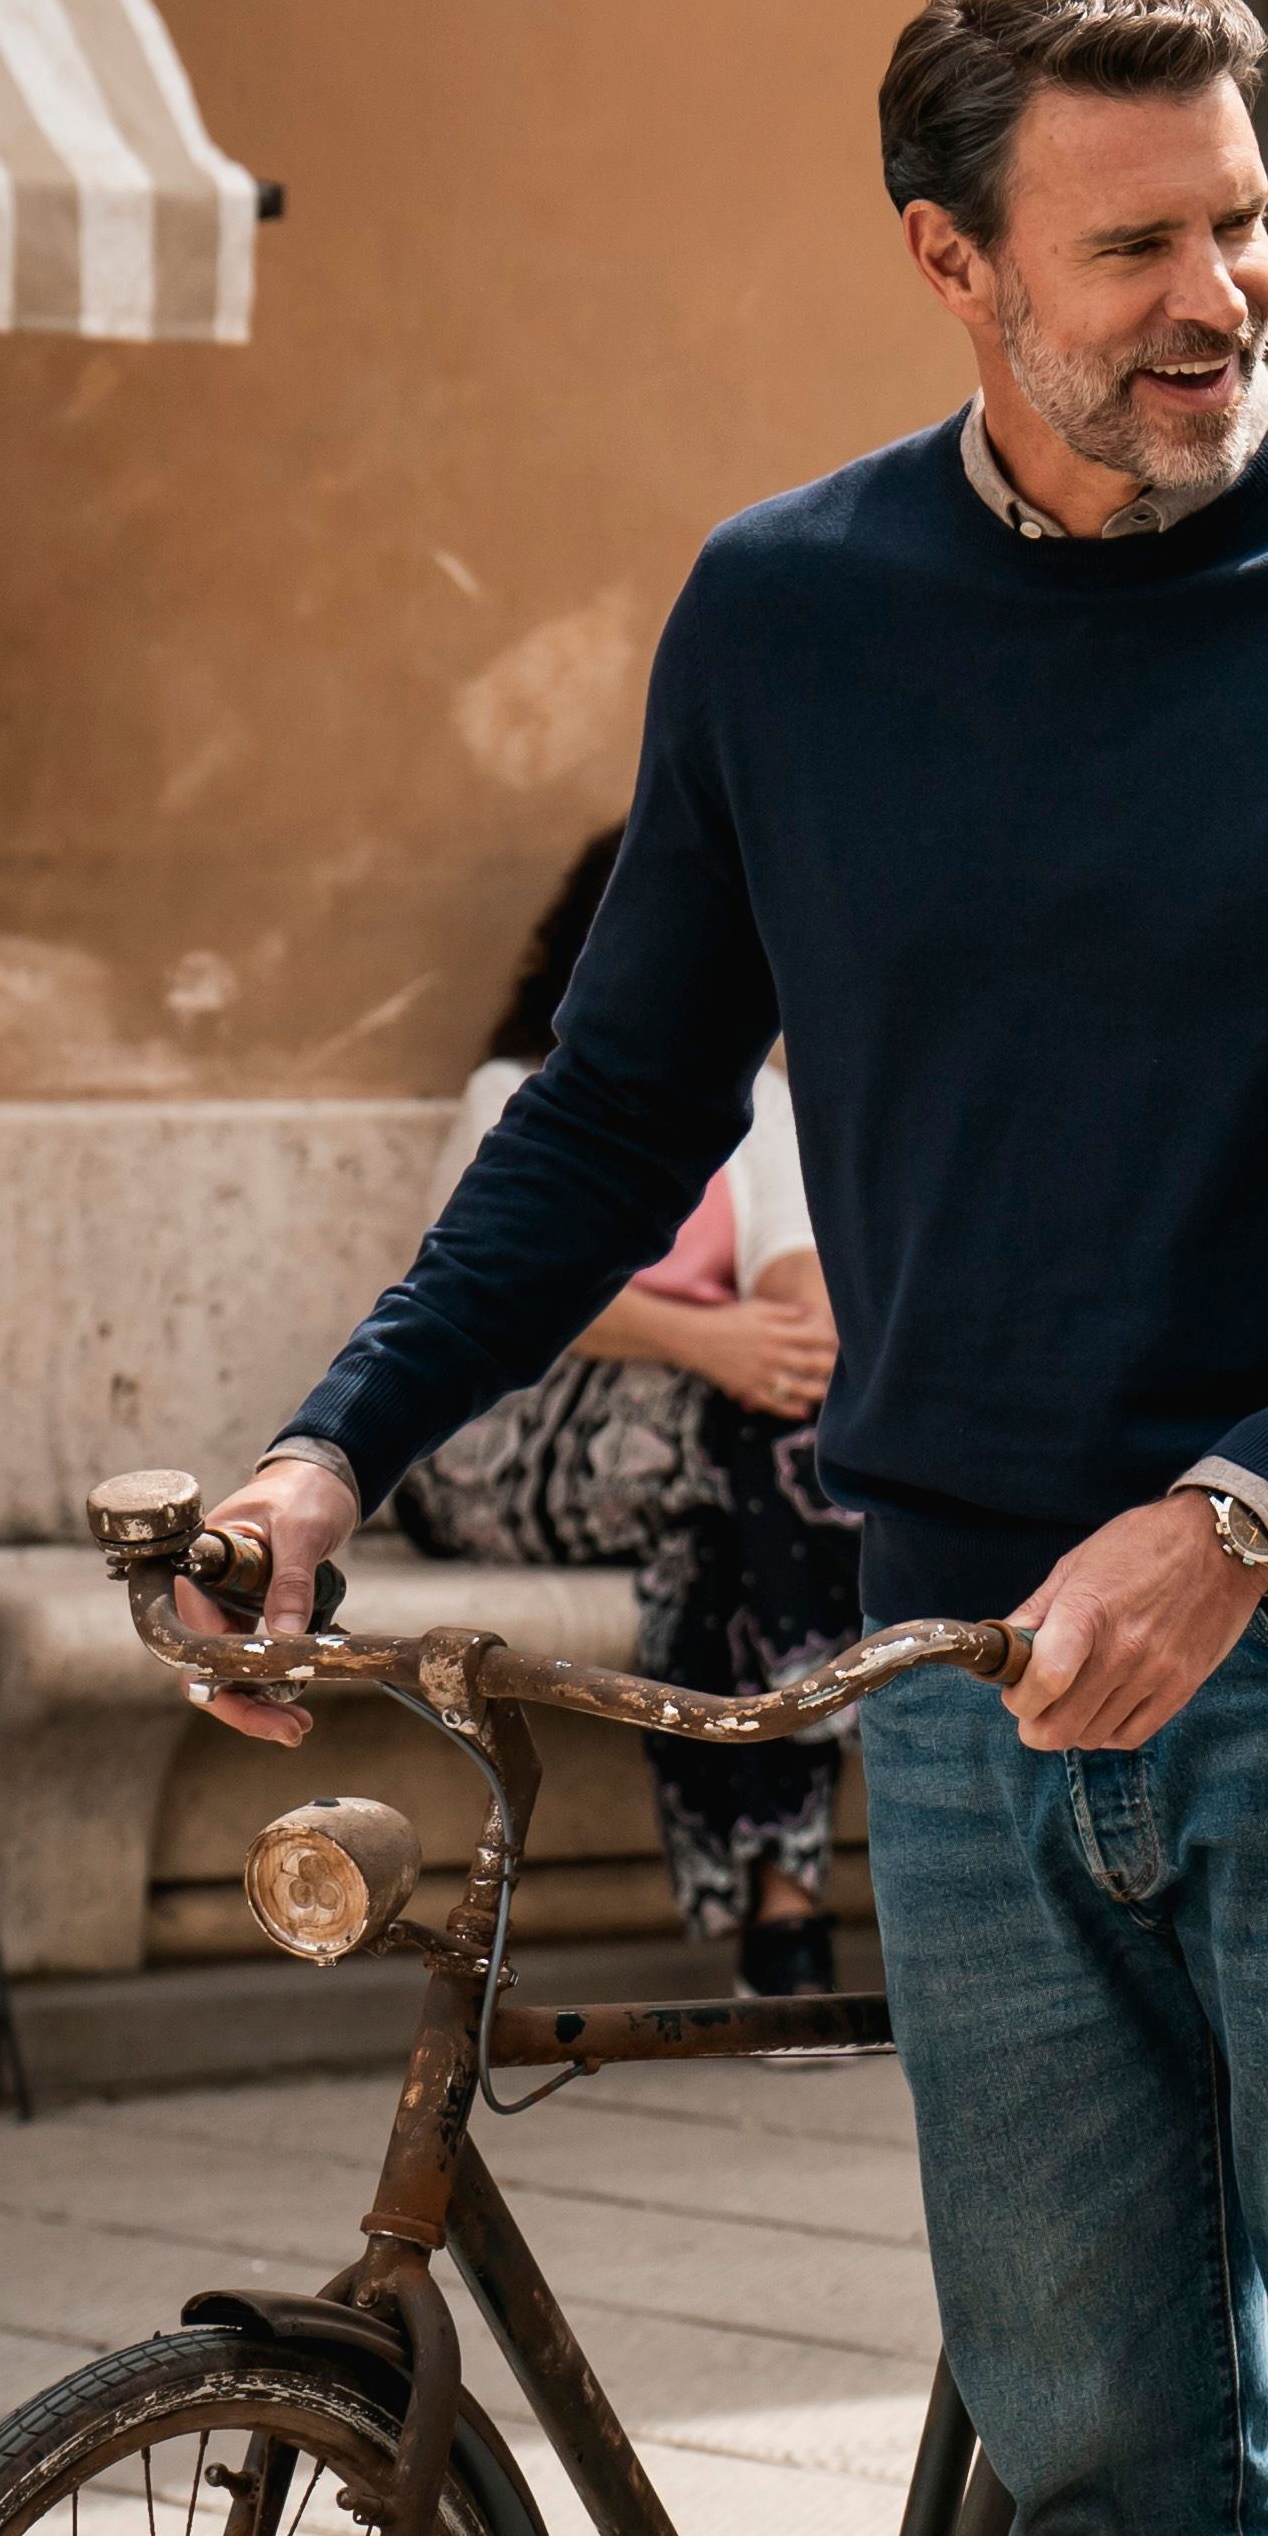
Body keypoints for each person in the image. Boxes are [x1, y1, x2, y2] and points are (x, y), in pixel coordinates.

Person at [186, 0, 1268, 2536]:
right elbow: (611, 1111)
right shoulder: (792, 619)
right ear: (950, 265)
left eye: (1241, 221)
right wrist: (329, 1443)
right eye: (1132, 243)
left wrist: (1242, 1510)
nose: (1218, 292)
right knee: (1104, 2526)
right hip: (961, 1694)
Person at [388, 827, 868, 1994]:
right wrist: (711, 1341)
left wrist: (781, 1341)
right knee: (775, 1455)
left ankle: (774, 1901)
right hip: (496, 1450)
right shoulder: (518, 1093)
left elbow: (802, 1288)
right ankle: (820, 1755)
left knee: (723, 1550)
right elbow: (504, 1292)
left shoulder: (760, 1097)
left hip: (713, 1461)